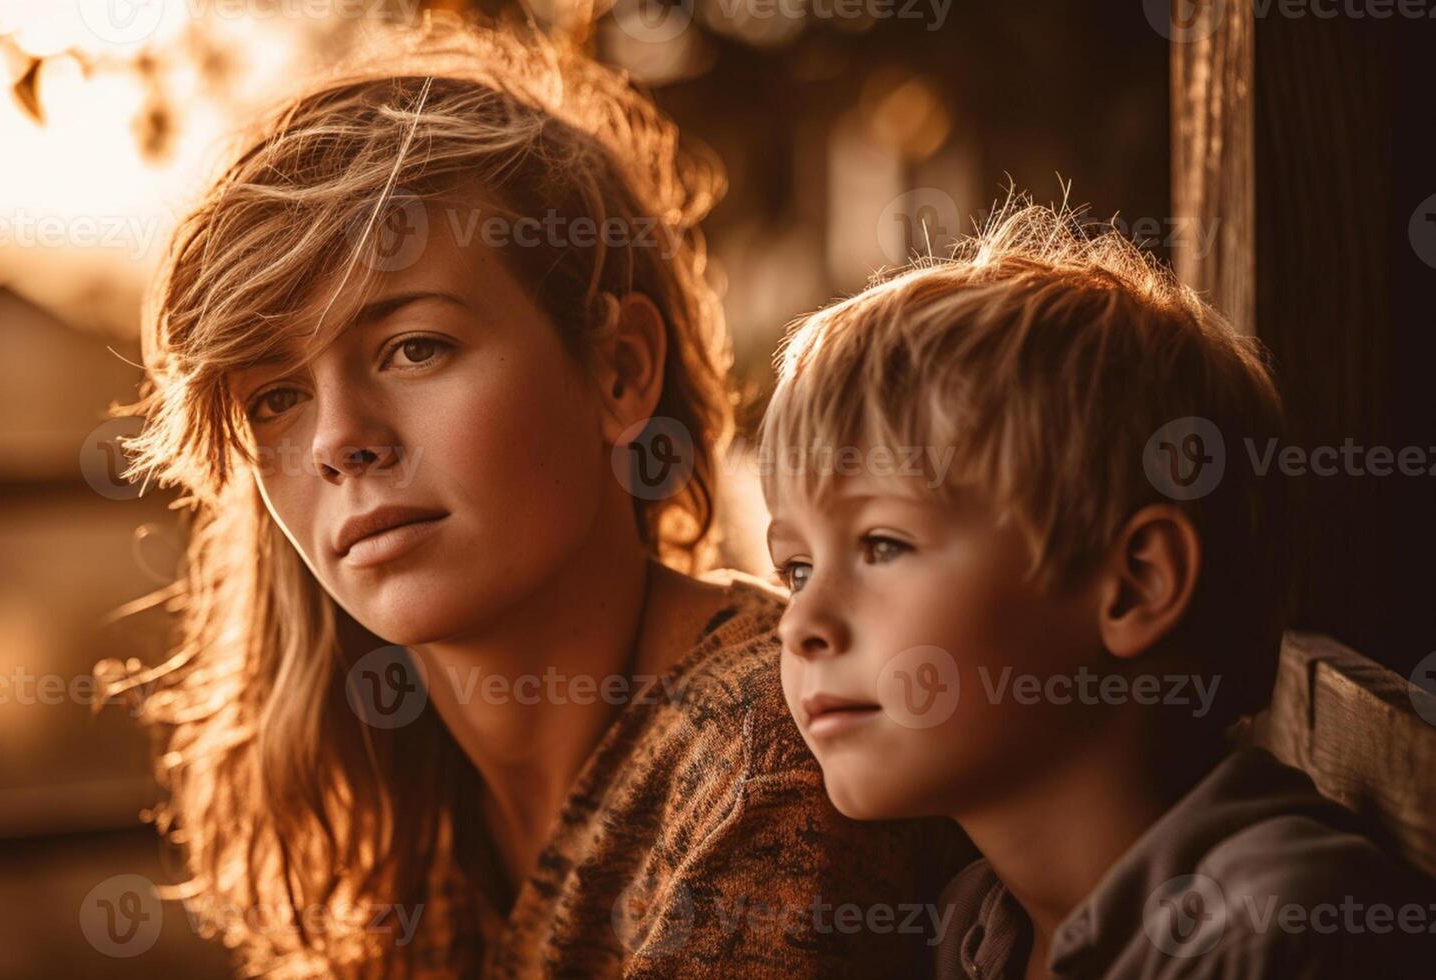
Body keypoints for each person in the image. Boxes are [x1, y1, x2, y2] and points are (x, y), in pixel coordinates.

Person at [103, 21, 965, 978]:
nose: (339, 439)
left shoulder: (773, 765)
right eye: (275, 397)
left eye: (414, 347)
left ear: (618, 371)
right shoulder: (396, 817)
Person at [759, 200, 1433, 978]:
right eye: (795, 569)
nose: (799, 623)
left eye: (881, 545)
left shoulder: (1281, 939)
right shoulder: (975, 930)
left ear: (1134, 586)